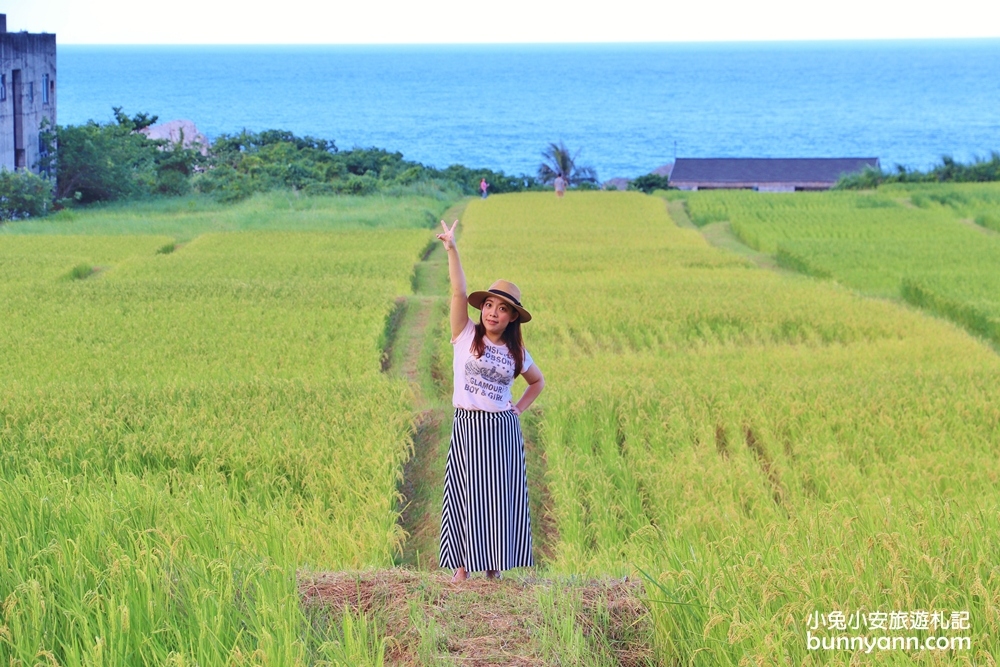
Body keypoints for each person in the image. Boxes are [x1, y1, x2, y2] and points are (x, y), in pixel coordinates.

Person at [435, 219, 545, 583]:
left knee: (499, 498)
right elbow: (456, 292)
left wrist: (518, 409)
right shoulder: (465, 334)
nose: (493, 312)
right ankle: (462, 568)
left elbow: (537, 382)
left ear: (513, 316)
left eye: (502, 308)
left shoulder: (516, 352)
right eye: (489, 305)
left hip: (501, 429)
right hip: (467, 424)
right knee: (465, 494)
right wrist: (452, 247)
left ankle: (494, 566)